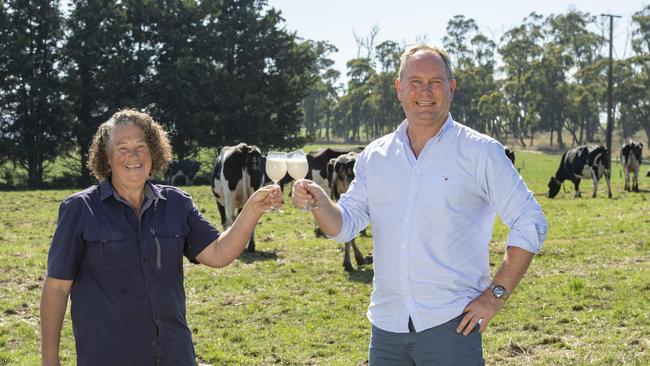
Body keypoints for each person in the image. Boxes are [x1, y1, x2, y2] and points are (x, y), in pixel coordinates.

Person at [292, 45, 547, 365]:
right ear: (399, 89)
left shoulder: (480, 153)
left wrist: (495, 296)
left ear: (451, 89)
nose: (425, 92)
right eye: (415, 81)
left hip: (451, 327)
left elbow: (530, 220)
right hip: (386, 330)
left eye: (435, 82)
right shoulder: (376, 155)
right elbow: (345, 225)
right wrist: (319, 202)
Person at [40, 109, 281, 365]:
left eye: (141, 146)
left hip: (174, 355)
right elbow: (56, 288)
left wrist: (252, 209)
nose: (133, 156)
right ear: (107, 158)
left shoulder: (176, 203)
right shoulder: (79, 209)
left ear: (154, 153)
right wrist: (50, 361)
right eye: (122, 148)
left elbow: (218, 253)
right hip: (109, 356)